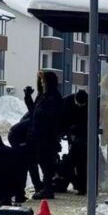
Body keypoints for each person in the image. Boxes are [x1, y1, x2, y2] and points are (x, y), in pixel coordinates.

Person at [27, 70, 64, 200]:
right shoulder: (43, 96)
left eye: (44, 81)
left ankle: (47, 189)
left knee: (46, 163)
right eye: (41, 82)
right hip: (38, 135)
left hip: (47, 136)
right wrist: (28, 97)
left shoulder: (54, 97)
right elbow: (33, 112)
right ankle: (41, 186)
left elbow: (50, 116)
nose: (42, 84)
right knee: (37, 161)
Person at [55, 89, 88, 195]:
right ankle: (79, 185)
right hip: (73, 133)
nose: (80, 106)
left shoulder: (89, 104)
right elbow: (62, 119)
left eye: (82, 104)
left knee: (78, 161)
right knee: (74, 159)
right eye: (79, 104)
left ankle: (80, 185)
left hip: (82, 135)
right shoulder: (67, 102)